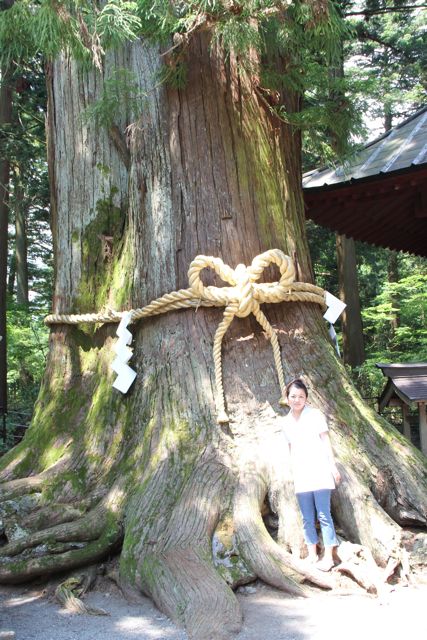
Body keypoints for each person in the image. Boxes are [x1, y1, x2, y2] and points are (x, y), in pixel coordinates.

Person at [280, 378, 341, 571]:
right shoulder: (286, 422)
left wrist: (333, 467)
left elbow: (325, 441)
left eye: (301, 396)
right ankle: (312, 554)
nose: (297, 400)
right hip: (301, 473)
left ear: (306, 398)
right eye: (293, 396)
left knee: (324, 514)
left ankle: (329, 557)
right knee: (307, 517)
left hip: (320, 470)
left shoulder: (315, 415)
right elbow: (289, 449)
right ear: (287, 398)